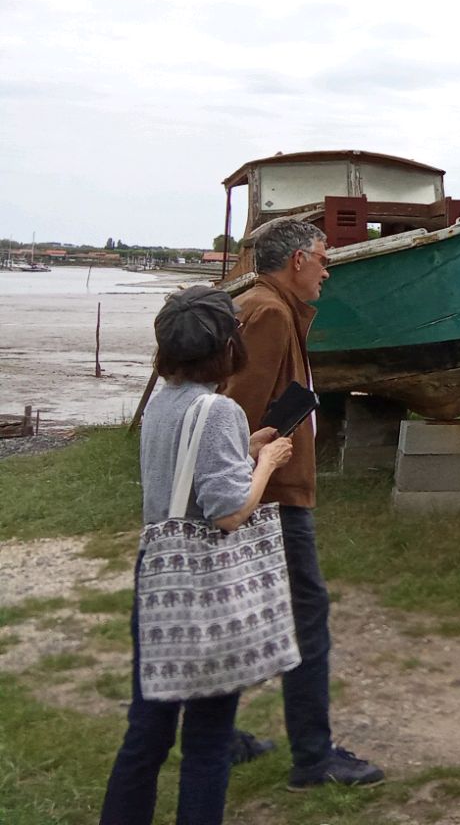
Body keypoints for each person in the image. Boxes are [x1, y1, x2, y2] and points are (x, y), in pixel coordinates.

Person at [100, 287, 295, 825]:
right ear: (227, 346)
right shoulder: (218, 410)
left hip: (158, 577)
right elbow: (228, 513)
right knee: (208, 742)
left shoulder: (163, 402)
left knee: (147, 730)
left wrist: (243, 449)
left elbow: (183, 472)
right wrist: (267, 463)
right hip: (204, 588)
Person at [219, 218, 383, 789]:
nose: (326, 270)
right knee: (306, 614)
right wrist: (254, 477)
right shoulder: (268, 313)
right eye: (322, 258)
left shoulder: (268, 307)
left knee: (242, 611)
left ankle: (218, 739)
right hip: (272, 496)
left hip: (264, 492)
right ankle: (313, 759)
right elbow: (234, 419)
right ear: (296, 261)